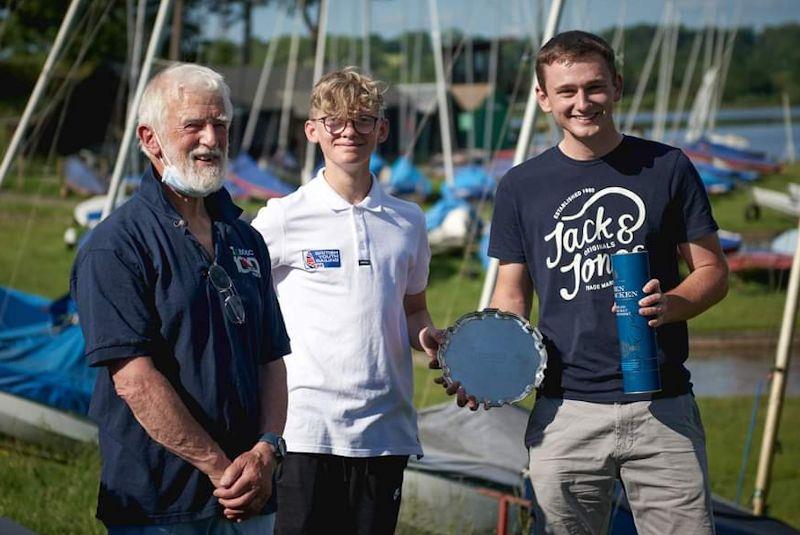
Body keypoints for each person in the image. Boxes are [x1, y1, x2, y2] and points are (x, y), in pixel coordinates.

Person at [448, 31, 729, 534]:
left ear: (616, 87)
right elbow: (511, 295)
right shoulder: (520, 186)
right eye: (567, 91)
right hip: (564, 410)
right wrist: (485, 364)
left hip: (662, 406)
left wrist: (675, 303)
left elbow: (712, 272)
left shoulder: (667, 167)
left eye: (594, 87)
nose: (583, 103)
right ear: (543, 98)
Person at [70, 63, 291, 534]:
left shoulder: (244, 239)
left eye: (221, 125)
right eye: (193, 125)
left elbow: (271, 357)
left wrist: (267, 449)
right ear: (150, 139)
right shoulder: (116, 245)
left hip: (252, 492)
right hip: (163, 504)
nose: (211, 139)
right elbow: (135, 381)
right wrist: (221, 472)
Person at [251, 67, 443, 535]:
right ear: (312, 130)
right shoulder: (281, 218)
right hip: (304, 430)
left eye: (362, 119)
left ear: (381, 129)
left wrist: (432, 340)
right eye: (334, 120)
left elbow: (413, 309)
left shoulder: (409, 221)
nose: (348, 131)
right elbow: (244, 311)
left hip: (385, 432)